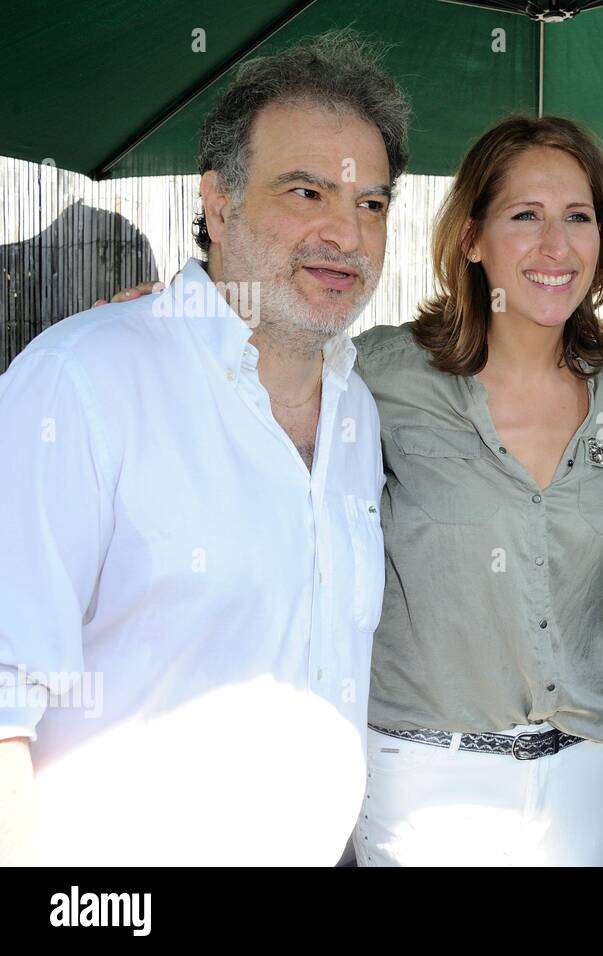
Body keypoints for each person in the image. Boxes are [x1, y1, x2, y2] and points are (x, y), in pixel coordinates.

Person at [0, 33, 407, 864]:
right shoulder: (83, 382)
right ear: (219, 207)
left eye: (371, 204)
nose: (348, 233)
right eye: (307, 192)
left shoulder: (357, 413)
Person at [349, 115, 603, 866]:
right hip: (424, 782)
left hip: (584, 772)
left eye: (577, 218)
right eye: (526, 216)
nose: (556, 246)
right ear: (471, 238)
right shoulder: (380, 375)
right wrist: (169, 325)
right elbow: (258, 396)